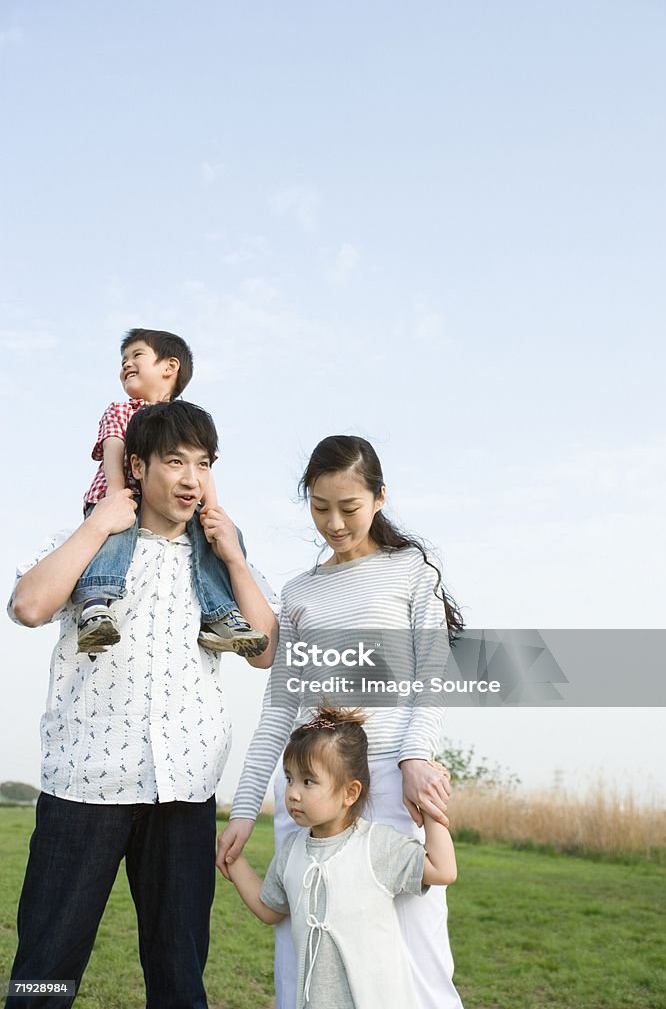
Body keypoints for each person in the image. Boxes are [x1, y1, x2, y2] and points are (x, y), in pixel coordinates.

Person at [4, 401, 278, 1009]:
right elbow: (27, 607)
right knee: (45, 969)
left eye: (202, 464)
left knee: (179, 977)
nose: (190, 479)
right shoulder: (91, 542)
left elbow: (263, 652)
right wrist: (97, 525)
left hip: (184, 788)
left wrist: (233, 555)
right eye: (175, 462)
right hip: (86, 784)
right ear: (137, 465)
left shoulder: (215, 558)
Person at [217, 435, 466, 1009]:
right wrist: (246, 808)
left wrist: (413, 759)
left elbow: (431, 673)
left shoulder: (410, 572)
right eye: (319, 506)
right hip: (309, 781)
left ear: (379, 498)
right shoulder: (301, 591)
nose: (333, 522)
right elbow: (281, 708)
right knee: (302, 943)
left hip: (386, 777)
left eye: (349, 507)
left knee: (419, 948)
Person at [226, 706, 457, 1009]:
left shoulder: (376, 846)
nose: (293, 793)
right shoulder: (292, 852)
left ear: (350, 793)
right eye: (289, 778)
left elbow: (442, 870)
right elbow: (270, 909)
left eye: (308, 781)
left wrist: (429, 806)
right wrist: (235, 861)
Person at [74, 327, 268, 657]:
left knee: (217, 539)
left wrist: (213, 511)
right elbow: (113, 450)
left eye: (136, 355)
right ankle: (95, 606)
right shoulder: (121, 410)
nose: (126, 364)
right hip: (120, 500)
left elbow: (204, 468)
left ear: (169, 366)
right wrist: (117, 500)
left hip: (174, 505)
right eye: (123, 360)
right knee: (116, 541)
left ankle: (220, 616)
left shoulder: (186, 421)